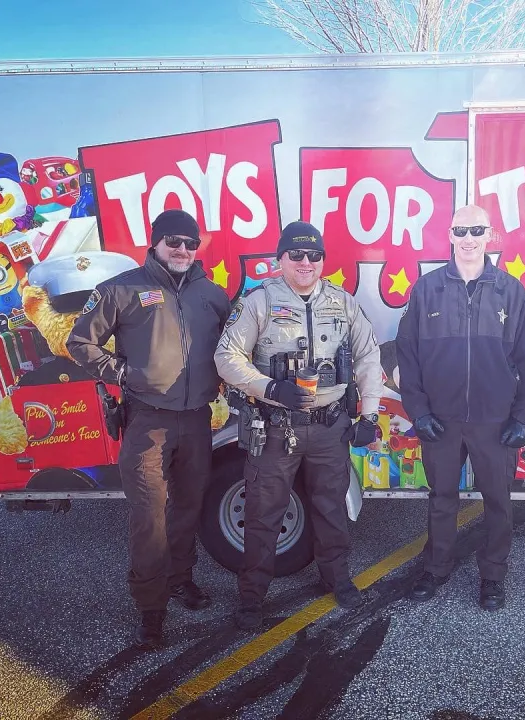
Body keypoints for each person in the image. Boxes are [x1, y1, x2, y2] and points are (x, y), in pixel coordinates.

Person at [67, 209, 230, 649]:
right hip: (147, 421)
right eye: (173, 241)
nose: (182, 250)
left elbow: (234, 348)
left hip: (197, 420)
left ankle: (180, 580)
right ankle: (151, 609)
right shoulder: (121, 289)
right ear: (155, 243)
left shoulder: (213, 295)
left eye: (190, 243)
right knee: (148, 518)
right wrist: (118, 370)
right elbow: (78, 341)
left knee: (188, 508)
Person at [215, 220, 384, 631]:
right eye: (297, 254)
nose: (306, 263)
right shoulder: (260, 302)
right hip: (276, 427)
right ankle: (252, 598)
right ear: (280, 260)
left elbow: (368, 358)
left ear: (323, 260)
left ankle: (337, 579)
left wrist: (371, 414)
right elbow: (226, 356)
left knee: (331, 509)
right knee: (263, 513)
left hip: (330, 427)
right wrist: (270, 386)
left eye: (315, 255)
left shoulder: (342, 302)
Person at [395, 204, 525, 611]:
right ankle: (436, 568)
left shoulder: (509, 290)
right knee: (442, 496)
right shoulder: (426, 289)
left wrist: (522, 416)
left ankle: (493, 575)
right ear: (449, 234)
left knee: (497, 499)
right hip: (440, 419)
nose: (468, 238)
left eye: (476, 230)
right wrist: (418, 410)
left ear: (489, 235)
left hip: (494, 421)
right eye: (461, 230)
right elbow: (407, 355)